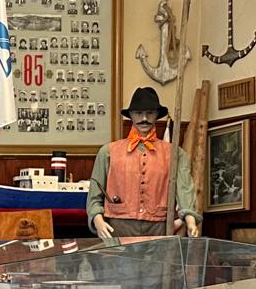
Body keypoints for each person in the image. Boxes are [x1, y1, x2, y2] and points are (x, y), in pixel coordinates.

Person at [86, 86, 201, 241]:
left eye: (150, 113)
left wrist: (190, 221)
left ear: (157, 115)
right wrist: (97, 220)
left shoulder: (175, 153)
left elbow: (185, 190)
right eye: (139, 113)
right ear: (131, 115)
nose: (144, 118)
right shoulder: (108, 152)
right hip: (118, 227)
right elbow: (95, 194)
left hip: (159, 228)